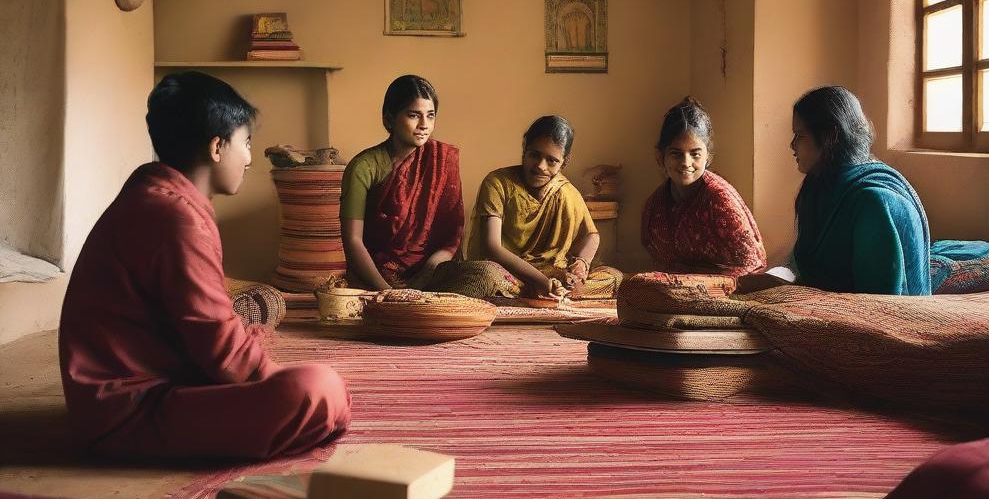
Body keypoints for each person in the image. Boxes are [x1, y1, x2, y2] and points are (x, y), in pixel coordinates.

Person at [59, 72, 351, 460]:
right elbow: (221, 352)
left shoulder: (158, 199)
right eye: (245, 142)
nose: (249, 158)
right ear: (217, 147)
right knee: (318, 389)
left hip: (135, 394)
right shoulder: (173, 215)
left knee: (304, 380)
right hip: (128, 412)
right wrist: (279, 380)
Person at [738, 85, 989, 295]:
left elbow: (880, 302)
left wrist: (788, 291)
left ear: (829, 137)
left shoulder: (874, 203)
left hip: (884, 297)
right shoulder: (818, 184)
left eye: (799, 136)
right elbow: (811, 265)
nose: (791, 146)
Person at [465, 115, 623, 299]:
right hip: (508, 273)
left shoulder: (565, 192)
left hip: (554, 274)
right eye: (535, 155)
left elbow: (590, 235)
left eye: (552, 160)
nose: (541, 166)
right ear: (524, 147)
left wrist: (581, 264)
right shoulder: (498, 183)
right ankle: (548, 292)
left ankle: (556, 292)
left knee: (614, 277)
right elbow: (492, 247)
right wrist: (540, 281)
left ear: (565, 162)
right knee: (484, 276)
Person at [341, 75, 465, 290]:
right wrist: (388, 293)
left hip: (431, 273)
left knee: (485, 274)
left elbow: (452, 236)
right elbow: (353, 240)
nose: (424, 125)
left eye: (430, 116)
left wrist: (429, 271)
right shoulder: (363, 167)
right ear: (389, 119)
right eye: (414, 115)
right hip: (378, 276)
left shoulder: (441, 161)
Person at [641, 97, 766, 276]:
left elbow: (752, 267)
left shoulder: (719, 200)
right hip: (677, 291)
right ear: (660, 157)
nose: (686, 163)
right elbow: (661, 262)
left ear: (708, 156)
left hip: (730, 290)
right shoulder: (655, 207)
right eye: (676, 154)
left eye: (695, 154)